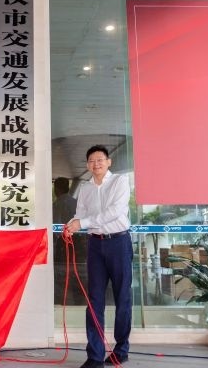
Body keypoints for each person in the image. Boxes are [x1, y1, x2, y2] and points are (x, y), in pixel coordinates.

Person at [65, 145, 132, 368]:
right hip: (95, 245)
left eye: (100, 160)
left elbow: (115, 212)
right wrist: (71, 225)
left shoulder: (120, 182)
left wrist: (82, 223)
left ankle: (121, 350)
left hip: (119, 243)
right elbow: (80, 214)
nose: (96, 164)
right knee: (94, 301)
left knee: (122, 297)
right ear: (87, 165)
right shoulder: (85, 188)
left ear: (108, 162)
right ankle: (95, 356)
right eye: (92, 161)